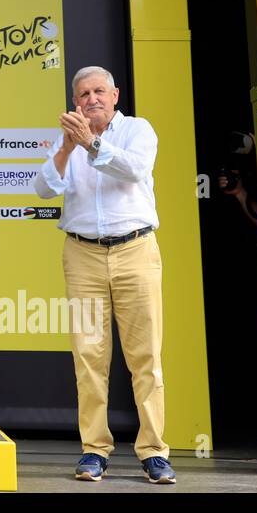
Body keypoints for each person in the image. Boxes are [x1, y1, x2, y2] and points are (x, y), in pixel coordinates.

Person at [32, 65, 176, 484]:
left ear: (115, 96)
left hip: (135, 250)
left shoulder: (138, 130)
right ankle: (94, 450)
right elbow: (43, 190)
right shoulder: (67, 139)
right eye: (82, 94)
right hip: (82, 255)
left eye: (98, 91)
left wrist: (91, 143)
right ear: (74, 101)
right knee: (89, 358)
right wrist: (65, 147)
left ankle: (154, 451)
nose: (91, 99)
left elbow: (132, 169)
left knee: (145, 356)